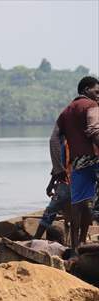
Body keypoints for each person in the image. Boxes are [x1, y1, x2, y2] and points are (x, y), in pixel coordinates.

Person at [55, 76, 99, 249]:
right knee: (92, 206)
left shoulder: (66, 111)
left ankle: (75, 248)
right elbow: (95, 130)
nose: (98, 96)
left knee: (78, 204)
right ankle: (82, 242)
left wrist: (57, 168)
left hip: (78, 162)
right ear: (86, 90)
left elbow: (54, 140)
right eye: (97, 91)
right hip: (95, 158)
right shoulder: (92, 106)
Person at [35, 127, 71, 241]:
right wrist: (51, 183)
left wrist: (51, 185)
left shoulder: (66, 144)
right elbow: (58, 166)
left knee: (50, 212)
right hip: (75, 183)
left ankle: (36, 239)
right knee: (78, 214)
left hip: (67, 183)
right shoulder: (77, 143)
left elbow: (58, 166)